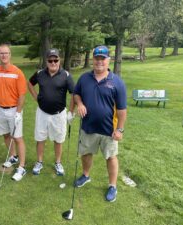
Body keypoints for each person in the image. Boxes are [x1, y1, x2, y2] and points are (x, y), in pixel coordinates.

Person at [73, 45, 127, 202]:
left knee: (111, 157)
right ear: (92, 60)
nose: (99, 62)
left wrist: (120, 130)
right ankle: (86, 175)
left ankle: (112, 186)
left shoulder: (117, 82)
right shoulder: (84, 78)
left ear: (108, 60)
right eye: (97, 58)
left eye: (103, 58)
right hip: (88, 126)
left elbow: (122, 110)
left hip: (108, 129)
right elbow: (76, 94)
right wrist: (80, 104)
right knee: (86, 153)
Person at [28, 48, 75, 176]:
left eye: (56, 60)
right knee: (40, 138)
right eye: (50, 60)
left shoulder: (66, 75)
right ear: (46, 61)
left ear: (60, 60)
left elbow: (74, 94)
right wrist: (35, 97)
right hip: (42, 113)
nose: (53, 62)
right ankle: (39, 162)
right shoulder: (39, 73)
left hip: (59, 114)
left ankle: (58, 162)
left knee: (58, 139)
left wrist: (71, 111)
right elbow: (29, 83)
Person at [0, 43, 27, 181]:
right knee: (6, 135)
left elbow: (22, 94)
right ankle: (13, 157)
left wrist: (18, 112)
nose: (4, 55)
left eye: (6, 53)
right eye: (1, 53)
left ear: (10, 55)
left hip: (13, 110)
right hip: (0, 109)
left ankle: (22, 167)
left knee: (17, 138)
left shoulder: (17, 72)